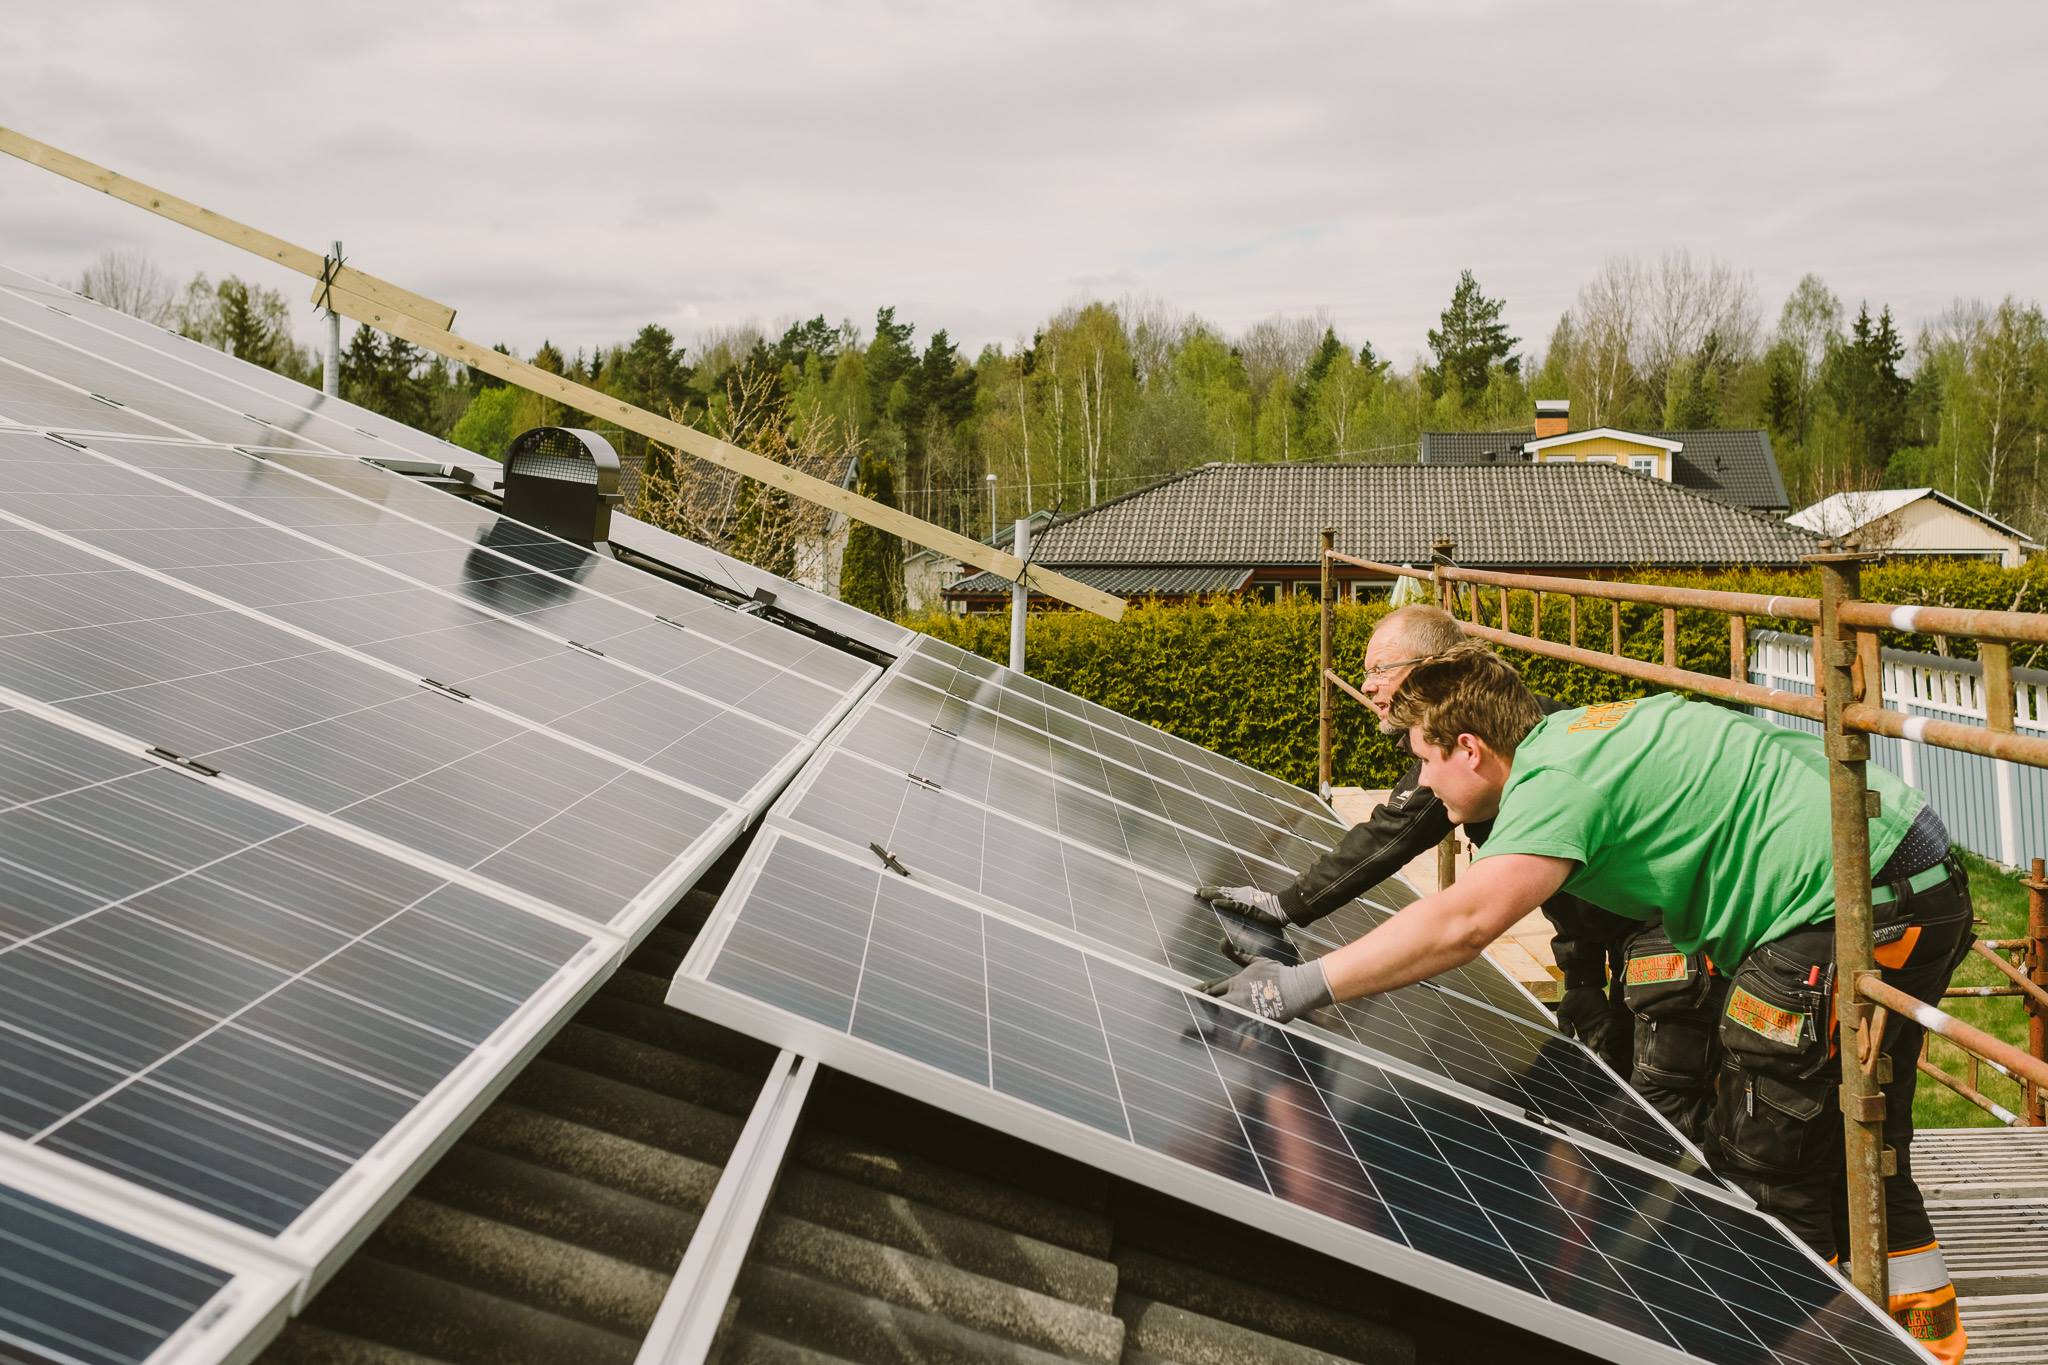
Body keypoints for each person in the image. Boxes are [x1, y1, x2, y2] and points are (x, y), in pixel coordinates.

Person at [1200, 648, 1971, 1362]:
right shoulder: (1572, 739)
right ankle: (1930, 1343)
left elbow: (1463, 923)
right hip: (1900, 869)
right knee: (1866, 1147)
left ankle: (1785, 1346)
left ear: (1470, 748)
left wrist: (1292, 985)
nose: (1423, 785)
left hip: (1853, 899)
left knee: (1767, 1167)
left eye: (1425, 761)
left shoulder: (1552, 784)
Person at [1195, 604, 1638, 1072]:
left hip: (1660, 926)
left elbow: (1456, 913)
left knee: (1661, 1063)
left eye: (1379, 670)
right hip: (1627, 918)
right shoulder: (1510, 734)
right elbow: (1571, 883)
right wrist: (1583, 977)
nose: (1367, 686)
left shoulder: (1495, 752)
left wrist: (1292, 955)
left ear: (1429, 671)